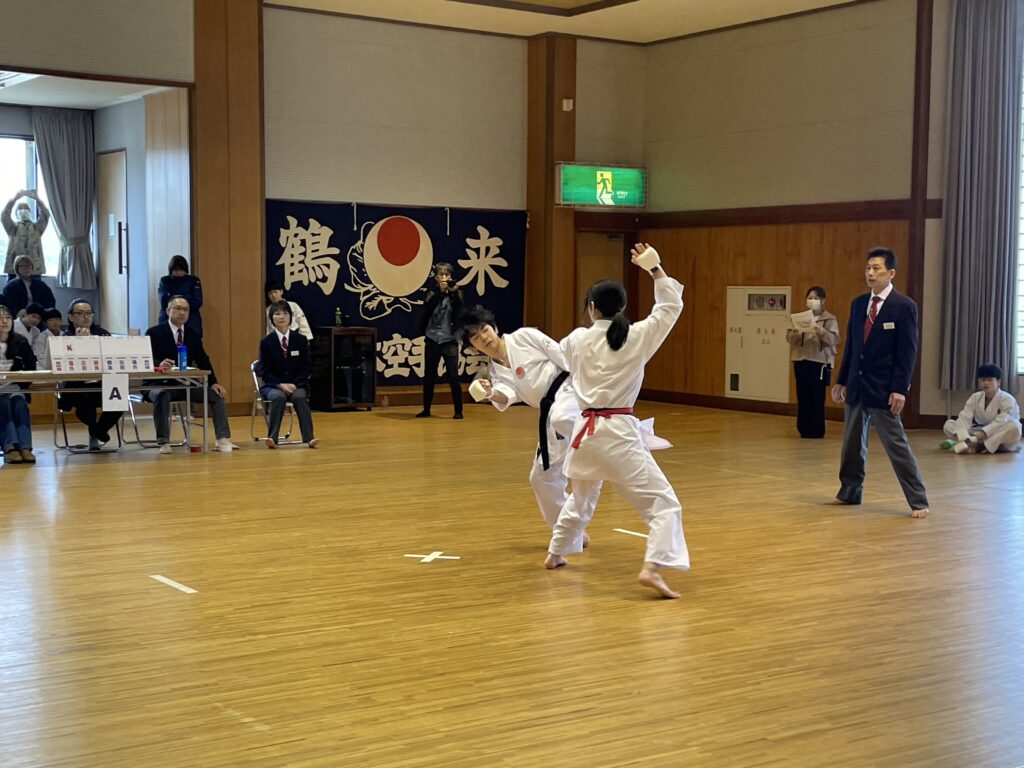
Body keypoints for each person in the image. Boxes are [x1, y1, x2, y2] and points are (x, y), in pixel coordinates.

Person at [546, 243, 689, 599]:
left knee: (581, 498)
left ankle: (555, 553)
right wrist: (655, 269)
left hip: (585, 436)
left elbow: (562, 358)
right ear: (622, 308)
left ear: (591, 307)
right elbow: (670, 308)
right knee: (664, 504)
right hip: (620, 435)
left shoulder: (577, 340)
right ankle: (652, 567)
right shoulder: (637, 336)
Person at [461, 305, 599, 546]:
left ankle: (605, 444)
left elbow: (562, 356)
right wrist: (490, 392)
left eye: (484, 329)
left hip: (569, 393)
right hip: (549, 413)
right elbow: (507, 395)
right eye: (475, 337)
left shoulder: (525, 336)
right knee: (541, 478)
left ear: (495, 328)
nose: (483, 337)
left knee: (564, 421)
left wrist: (588, 387)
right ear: (473, 348)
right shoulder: (496, 372)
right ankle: (570, 531)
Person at [831, 247, 929, 518]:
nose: (870, 273)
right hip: (856, 385)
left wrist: (900, 389)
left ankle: (918, 499)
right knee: (851, 445)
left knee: (896, 445)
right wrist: (841, 380)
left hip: (884, 389)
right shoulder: (858, 303)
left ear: (891, 273)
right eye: (868, 268)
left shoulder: (904, 306)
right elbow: (852, 346)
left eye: (876, 268)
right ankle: (850, 492)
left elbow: (907, 352)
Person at [146, 295, 238, 454]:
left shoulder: (192, 334)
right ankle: (164, 441)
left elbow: (203, 359)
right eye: (178, 309)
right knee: (161, 395)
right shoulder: (154, 332)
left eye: (186, 310)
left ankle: (222, 438)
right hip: (158, 383)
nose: (182, 312)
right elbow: (145, 358)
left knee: (217, 395)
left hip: (183, 384)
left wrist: (214, 382)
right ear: (168, 311)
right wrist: (158, 364)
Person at [58, 299, 124, 451]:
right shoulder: (65, 338)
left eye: (89, 313)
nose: (86, 317)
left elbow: (113, 356)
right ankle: (97, 432)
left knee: (119, 399)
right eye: (80, 313)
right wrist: (80, 342)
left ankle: (98, 431)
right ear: (71, 317)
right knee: (85, 404)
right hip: (77, 385)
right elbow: (65, 364)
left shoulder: (103, 334)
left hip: (103, 383)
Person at [258, 300, 318, 448]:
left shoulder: (301, 340)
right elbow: (264, 370)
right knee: (278, 397)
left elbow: (306, 367)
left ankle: (309, 438)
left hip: (297, 384)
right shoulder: (266, 342)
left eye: (285, 313)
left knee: (299, 397)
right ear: (272, 318)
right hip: (273, 385)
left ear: (291, 317)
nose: (281, 317)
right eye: (277, 314)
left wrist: (295, 384)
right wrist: (280, 385)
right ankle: (272, 438)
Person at [786, 286, 840, 438]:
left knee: (816, 396)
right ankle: (803, 428)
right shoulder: (800, 317)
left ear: (822, 301)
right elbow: (789, 338)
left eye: (815, 298)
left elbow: (834, 340)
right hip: (801, 359)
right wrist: (796, 333)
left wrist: (820, 331)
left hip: (819, 362)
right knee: (803, 395)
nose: (812, 301)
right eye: (809, 298)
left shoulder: (829, 319)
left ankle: (816, 429)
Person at [416, 263, 464, 419]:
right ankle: (426, 409)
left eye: (447, 275)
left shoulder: (457, 292)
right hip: (432, 338)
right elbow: (427, 308)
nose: (444, 278)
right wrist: (440, 293)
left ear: (451, 276)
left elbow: (461, 311)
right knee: (429, 375)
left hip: (449, 340)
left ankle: (458, 411)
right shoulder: (430, 292)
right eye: (440, 275)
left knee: (453, 376)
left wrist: (453, 294)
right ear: (435, 277)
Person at [942, 364, 1021, 454]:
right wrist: (963, 435)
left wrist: (982, 435)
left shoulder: (1007, 399)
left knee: (1015, 426)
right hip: (979, 431)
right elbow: (965, 417)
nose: (986, 383)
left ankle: (980, 446)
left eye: (990, 380)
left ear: (998, 382)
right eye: (983, 380)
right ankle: (968, 443)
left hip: (999, 433)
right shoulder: (975, 397)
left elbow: (1002, 421)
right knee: (949, 424)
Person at [0, 303, 37, 464]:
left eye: (7, 317)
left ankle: (25, 447)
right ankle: (10, 447)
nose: (4, 321)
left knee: (19, 403)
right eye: (0, 318)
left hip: (15, 387)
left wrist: (22, 384)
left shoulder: (20, 342)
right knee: (4, 403)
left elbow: (31, 368)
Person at [3, 190, 50, 275]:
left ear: (30, 212)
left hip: (34, 269)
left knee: (36, 284)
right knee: (13, 284)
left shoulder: (36, 228)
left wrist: (37, 200)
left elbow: (45, 215)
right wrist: (14, 199)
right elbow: (4, 216)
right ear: (16, 213)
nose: (23, 211)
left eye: (26, 209)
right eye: (20, 209)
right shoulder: (12, 228)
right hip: (14, 269)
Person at [157, 255, 203, 336]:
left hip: (191, 319)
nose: (179, 272)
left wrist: (174, 299)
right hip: (168, 318)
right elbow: (164, 301)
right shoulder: (165, 281)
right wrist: (186, 297)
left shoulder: (193, 280)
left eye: (181, 270)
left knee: (192, 340)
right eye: (176, 270)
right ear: (171, 270)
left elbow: (197, 302)